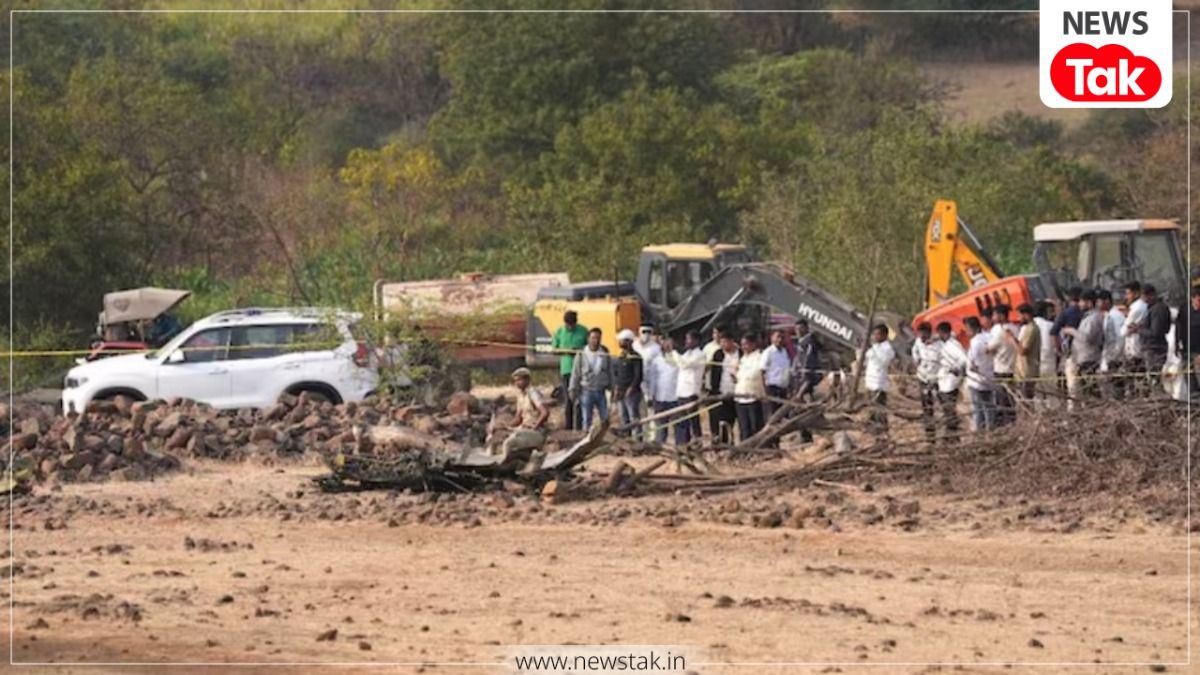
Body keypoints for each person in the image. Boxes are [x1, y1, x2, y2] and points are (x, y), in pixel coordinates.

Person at [1062, 290, 1104, 406]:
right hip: (1082, 358)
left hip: (1089, 358)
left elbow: (1087, 337)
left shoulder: (1093, 318)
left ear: (1089, 303)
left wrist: (1071, 331)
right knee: (1086, 390)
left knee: (1090, 391)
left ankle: (1095, 410)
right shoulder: (1087, 317)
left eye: (1081, 301)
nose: (1079, 304)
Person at [569, 328, 613, 431]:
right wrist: (572, 388)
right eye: (593, 338)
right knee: (586, 419)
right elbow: (575, 373)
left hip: (601, 391)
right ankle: (586, 438)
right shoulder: (581, 354)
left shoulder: (604, 353)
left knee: (605, 418)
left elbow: (610, 371)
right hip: (586, 391)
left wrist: (612, 387)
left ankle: (604, 437)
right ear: (588, 339)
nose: (596, 340)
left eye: (598, 338)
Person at [499, 367, 550, 456]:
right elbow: (518, 418)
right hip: (523, 428)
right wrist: (506, 426)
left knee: (509, 443)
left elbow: (545, 412)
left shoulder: (533, 393)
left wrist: (535, 427)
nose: (517, 383)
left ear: (527, 380)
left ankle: (504, 461)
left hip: (536, 431)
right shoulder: (520, 396)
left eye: (519, 380)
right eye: (515, 381)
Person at [551, 311, 589, 430]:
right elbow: (554, 350)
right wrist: (566, 351)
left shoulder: (583, 331)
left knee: (580, 400)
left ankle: (579, 427)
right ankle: (568, 427)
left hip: (581, 370)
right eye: (568, 325)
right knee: (569, 400)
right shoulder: (559, 331)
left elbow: (589, 348)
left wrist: (579, 349)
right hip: (566, 370)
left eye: (572, 324)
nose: (570, 327)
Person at [668, 330, 706, 445]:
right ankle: (684, 443)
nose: (686, 342)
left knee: (693, 419)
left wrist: (674, 351)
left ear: (696, 341)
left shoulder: (700, 355)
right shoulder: (687, 354)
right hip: (681, 391)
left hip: (691, 391)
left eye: (689, 339)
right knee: (682, 419)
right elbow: (676, 363)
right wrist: (670, 352)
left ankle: (697, 444)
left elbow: (684, 364)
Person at [910, 321, 942, 444]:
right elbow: (914, 351)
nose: (922, 337)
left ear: (929, 333)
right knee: (927, 408)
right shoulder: (918, 342)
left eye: (924, 335)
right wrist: (916, 361)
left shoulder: (939, 344)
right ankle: (930, 436)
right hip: (923, 378)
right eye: (920, 334)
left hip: (937, 379)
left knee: (943, 406)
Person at [935, 321, 967, 441]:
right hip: (943, 381)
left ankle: (952, 435)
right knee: (946, 410)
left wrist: (955, 368)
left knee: (950, 410)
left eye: (939, 333)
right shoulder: (945, 344)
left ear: (943, 333)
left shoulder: (953, 345)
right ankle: (949, 435)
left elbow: (964, 359)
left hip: (950, 383)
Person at [707, 330, 740, 444]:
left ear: (731, 341)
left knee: (733, 419)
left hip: (737, 393)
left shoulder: (740, 353)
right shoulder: (718, 354)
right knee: (720, 419)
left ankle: (733, 441)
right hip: (721, 392)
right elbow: (714, 373)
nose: (723, 345)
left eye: (725, 342)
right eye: (721, 342)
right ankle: (721, 443)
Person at [987, 305, 1018, 425]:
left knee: (1003, 402)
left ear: (1001, 316)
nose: (993, 317)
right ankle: (1012, 423)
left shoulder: (1000, 331)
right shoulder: (1015, 328)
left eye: (994, 315)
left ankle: (1007, 425)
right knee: (1011, 401)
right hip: (1013, 369)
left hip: (1001, 370)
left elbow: (988, 349)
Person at [733, 333, 767, 440]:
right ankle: (745, 447)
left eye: (746, 344)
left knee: (756, 425)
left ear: (753, 344)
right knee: (744, 427)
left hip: (754, 396)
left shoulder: (759, 357)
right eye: (742, 344)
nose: (743, 347)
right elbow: (738, 377)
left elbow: (756, 374)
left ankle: (758, 446)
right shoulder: (743, 359)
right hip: (740, 396)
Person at [862, 324, 895, 435]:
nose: (875, 337)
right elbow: (866, 359)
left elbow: (882, 362)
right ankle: (874, 431)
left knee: (880, 410)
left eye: (878, 334)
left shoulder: (887, 349)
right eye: (874, 334)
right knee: (872, 409)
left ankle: (882, 432)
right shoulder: (874, 347)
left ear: (885, 335)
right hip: (870, 382)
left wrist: (871, 350)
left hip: (879, 383)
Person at [612, 329, 645, 439]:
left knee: (633, 416)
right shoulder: (621, 356)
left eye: (622, 340)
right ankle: (627, 439)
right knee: (623, 416)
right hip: (621, 391)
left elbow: (638, 375)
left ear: (629, 341)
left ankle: (638, 439)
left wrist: (631, 388)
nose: (620, 342)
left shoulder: (636, 357)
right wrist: (616, 388)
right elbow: (617, 374)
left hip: (632, 393)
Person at [964, 316, 995, 432]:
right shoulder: (989, 337)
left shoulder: (975, 342)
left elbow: (973, 365)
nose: (966, 332)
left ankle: (979, 432)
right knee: (989, 407)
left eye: (968, 329)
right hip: (989, 377)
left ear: (974, 328)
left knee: (977, 409)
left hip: (976, 380)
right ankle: (990, 430)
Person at [647, 335, 680, 444]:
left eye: (670, 344)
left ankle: (680, 446)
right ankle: (660, 445)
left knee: (678, 424)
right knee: (661, 425)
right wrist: (651, 395)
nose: (668, 346)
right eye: (666, 344)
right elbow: (652, 379)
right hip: (660, 397)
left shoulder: (679, 359)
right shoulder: (656, 360)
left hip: (675, 397)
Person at [1138, 283, 1172, 385]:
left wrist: (1139, 330)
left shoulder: (1158, 309)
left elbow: (1156, 332)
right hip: (1152, 348)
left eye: (1144, 296)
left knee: (1155, 377)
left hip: (1155, 349)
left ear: (1151, 295)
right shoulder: (1151, 308)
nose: (1143, 299)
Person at [1098, 289, 1126, 399]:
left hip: (1115, 359)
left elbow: (1120, 337)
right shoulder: (1108, 316)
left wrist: (1115, 356)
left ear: (1107, 301)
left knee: (1116, 390)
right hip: (1109, 357)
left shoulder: (1116, 316)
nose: (1098, 304)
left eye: (1099, 301)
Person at [1122, 281, 1148, 394]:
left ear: (1136, 293)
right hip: (1134, 349)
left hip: (1136, 350)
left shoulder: (1138, 308)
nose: (1126, 297)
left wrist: (1125, 326)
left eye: (1128, 294)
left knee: (1137, 382)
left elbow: (1123, 331)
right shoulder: (1135, 307)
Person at [761, 329, 791, 421]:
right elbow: (762, 371)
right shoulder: (768, 352)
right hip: (772, 388)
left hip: (783, 388)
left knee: (784, 415)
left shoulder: (784, 352)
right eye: (778, 337)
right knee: (774, 416)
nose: (780, 339)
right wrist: (765, 391)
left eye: (782, 337)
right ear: (772, 338)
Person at [1013, 304, 1041, 401]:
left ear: (1026, 315)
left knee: (1026, 401)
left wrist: (1012, 339)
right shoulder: (1027, 328)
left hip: (1026, 372)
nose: (1018, 318)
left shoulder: (1031, 329)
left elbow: (1023, 351)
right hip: (1023, 371)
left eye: (1020, 315)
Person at [1033, 301, 1058, 408]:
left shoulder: (1029, 325)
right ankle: (1054, 413)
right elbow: (1057, 346)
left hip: (1034, 364)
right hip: (1048, 362)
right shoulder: (1050, 325)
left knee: (1037, 394)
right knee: (1052, 393)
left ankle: (1039, 414)